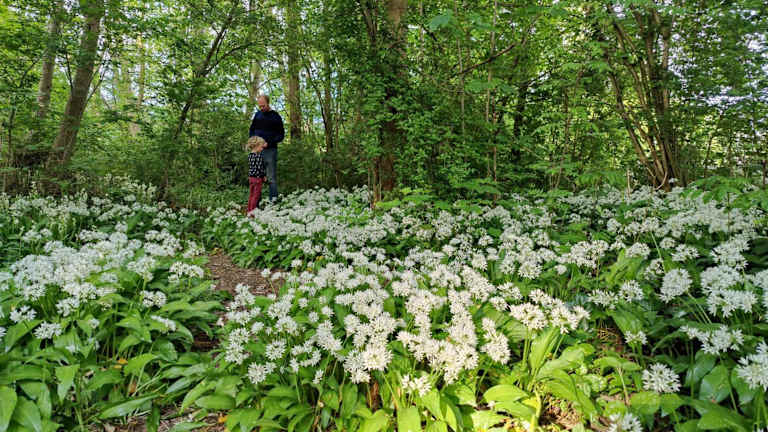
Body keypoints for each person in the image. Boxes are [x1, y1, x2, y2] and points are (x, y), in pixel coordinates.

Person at [249, 94, 284, 202]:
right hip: (257, 151)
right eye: (259, 106)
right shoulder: (257, 115)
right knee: (257, 178)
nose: (261, 108)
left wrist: (269, 143)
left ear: (268, 103)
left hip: (270, 151)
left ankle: (273, 202)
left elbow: (281, 135)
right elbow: (252, 130)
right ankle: (256, 203)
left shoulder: (275, 116)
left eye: (263, 106)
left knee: (271, 178)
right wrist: (253, 142)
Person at [246, 136, 267, 214]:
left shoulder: (250, 155)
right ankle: (253, 213)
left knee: (251, 195)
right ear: (256, 146)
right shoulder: (258, 156)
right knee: (256, 196)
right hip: (257, 178)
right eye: (261, 147)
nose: (262, 149)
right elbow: (260, 168)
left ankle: (249, 211)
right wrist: (264, 176)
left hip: (251, 178)